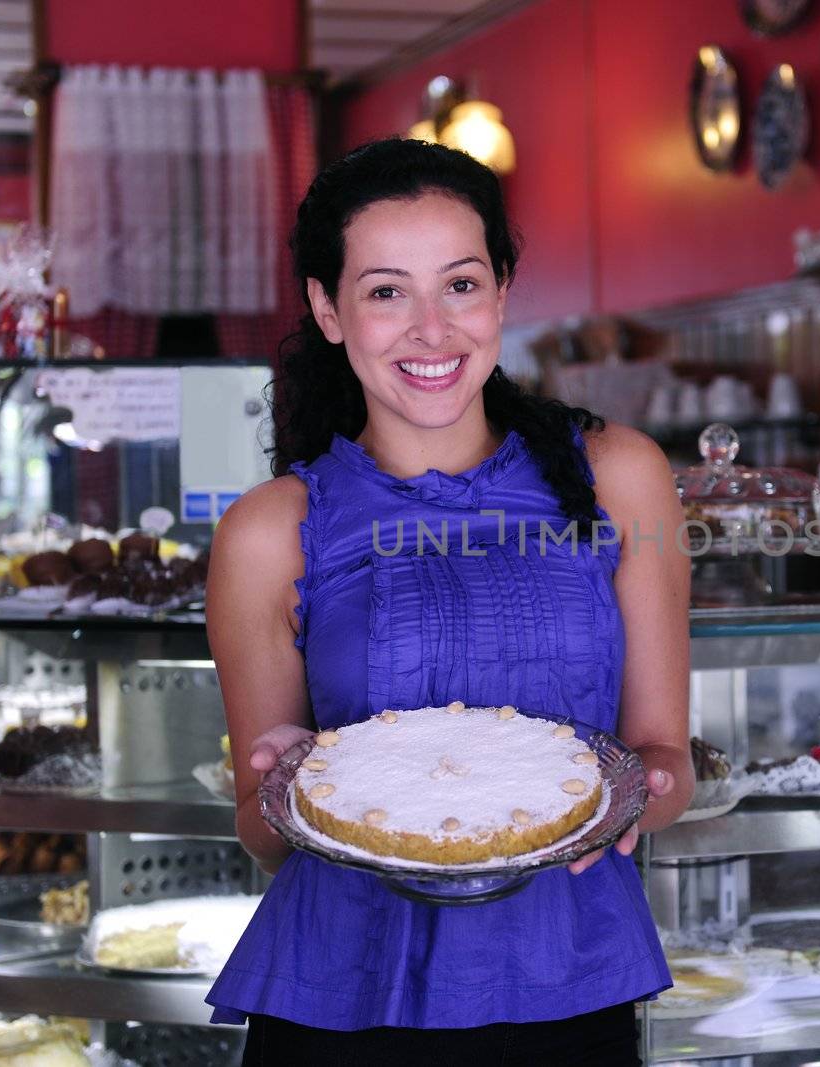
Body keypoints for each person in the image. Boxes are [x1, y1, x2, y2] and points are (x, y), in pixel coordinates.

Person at [204, 137, 692, 1065]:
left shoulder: (619, 477)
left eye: (460, 285)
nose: (432, 330)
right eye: (387, 291)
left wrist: (641, 796)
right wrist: (285, 786)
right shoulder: (270, 530)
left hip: (569, 986)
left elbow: (663, 755)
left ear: (503, 290)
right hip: (336, 1005)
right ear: (328, 308)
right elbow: (263, 835)